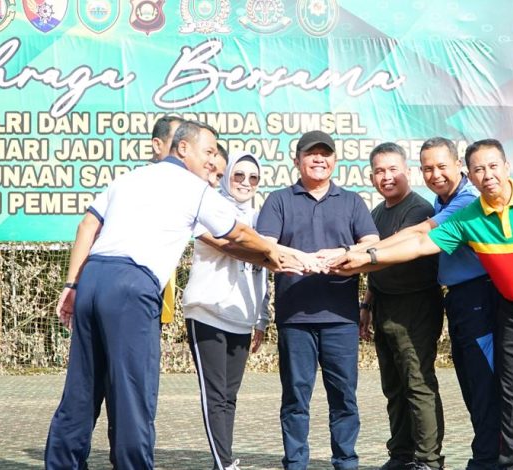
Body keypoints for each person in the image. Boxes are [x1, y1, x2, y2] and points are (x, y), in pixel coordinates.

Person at [329, 139, 513, 470]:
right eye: (479, 169)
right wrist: (365, 258)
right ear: (470, 173)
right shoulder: (465, 215)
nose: (487, 175)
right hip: (503, 313)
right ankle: (507, 464)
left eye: (492, 166)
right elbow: (418, 243)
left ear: (503, 167)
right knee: (511, 398)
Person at [44, 120, 283, 470]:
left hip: (93, 276)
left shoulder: (128, 178)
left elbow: (88, 225)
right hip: (131, 285)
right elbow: (237, 233)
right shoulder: (192, 187)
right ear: (183, 148)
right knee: (133, 393)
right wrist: (275, 253)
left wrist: (72, 285)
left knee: (82, 389)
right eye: (209, 151)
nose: (213, 161)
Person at [256, 130, 380, 470]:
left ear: (335, 161)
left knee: (344, 397)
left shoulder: (352, 201)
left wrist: (343, 252)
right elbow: (266, 245)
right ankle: (295, 463)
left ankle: (346, 461)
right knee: (296, 397)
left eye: (326, 154)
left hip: (341, 316)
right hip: (295, 316)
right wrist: (302, 259)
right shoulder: (279, 200)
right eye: (311, 154)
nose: (319, 159)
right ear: (296, 160)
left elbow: (371, 242)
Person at [182, 152, 268, 470]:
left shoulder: (261, 218)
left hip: (242, 317)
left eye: (253, 178)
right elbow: (233, 246)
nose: (245, 183)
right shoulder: (210, 208)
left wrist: (261, 317)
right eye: (238, 176)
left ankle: (225, 457)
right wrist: (274, 251)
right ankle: (224, 463)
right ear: (228, 177)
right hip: (207, 310)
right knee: (215, 395)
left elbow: (263, 273)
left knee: (230, 396)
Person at [361, 143, 445, 470]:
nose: (387, 177)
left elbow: (384, 255)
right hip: (384, 306)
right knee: (394, 387)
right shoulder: (377, 213)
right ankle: (401, 455)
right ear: (371, 177)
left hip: (416, 306)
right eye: (380, 171)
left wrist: (347, 257)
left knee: (418, 384)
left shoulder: (419, 209)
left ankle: (428, 460)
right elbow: (373, 266)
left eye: (393, 169)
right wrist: (366, 305)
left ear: (407, 172)